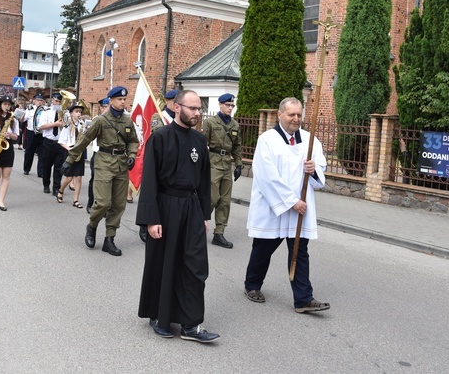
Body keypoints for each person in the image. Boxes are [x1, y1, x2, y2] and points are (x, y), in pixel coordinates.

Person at [136, 89, 219, 343]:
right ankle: (158, 316)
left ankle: (190, 325)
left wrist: (205, 214)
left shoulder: (198, 141)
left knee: (195, 266)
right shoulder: (160, 138)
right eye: (192, 108)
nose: (197, 112)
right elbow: (149, 180)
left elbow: (204, 180)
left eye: (199, 108)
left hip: (191, 207)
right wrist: (151, 218)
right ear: (177, 107)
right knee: (163, 262)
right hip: (165, 206)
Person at [243, 97, 329, 313]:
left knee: (299, 252)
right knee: (263, 249)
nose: (296, 119)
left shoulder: (310, 141)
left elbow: (321, 172)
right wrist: (291, 202)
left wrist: (313, 169)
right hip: (273, 207)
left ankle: (303, 299)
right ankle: (252, 285)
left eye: (299, 115)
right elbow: (266, 176)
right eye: (291, 114)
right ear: (280, 115)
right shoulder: (267, 140)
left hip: (300, 210)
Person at [62, 86, 139, 257]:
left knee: (119, 204)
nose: (123, 102)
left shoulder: (127, 121)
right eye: (119, 99)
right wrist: (70, 159)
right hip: (104, 163)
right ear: (110, 100)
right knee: (104, 202)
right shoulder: (101, 120)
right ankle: (92, 226)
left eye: (124, 99)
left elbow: (133, 141)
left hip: (121, 165)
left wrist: (132, 155)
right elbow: (84, 140)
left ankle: (109, 239)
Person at [202, 93, 243, 249]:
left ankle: (219, 233)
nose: (230, 108)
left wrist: (238, 165)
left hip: (226, 165)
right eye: (227, 105)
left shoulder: (235, 125)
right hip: (213, 163)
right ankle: (199, 227)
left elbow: (237, 146)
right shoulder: (210, 122)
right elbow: (202, 143)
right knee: (212, 198)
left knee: (225, 201)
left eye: (232, 105)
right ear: (220, 105)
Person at [137, 89, 178, 243]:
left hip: (174, 163)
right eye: (173, 100)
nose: (176, 104)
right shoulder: (159, 117)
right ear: (167, 101)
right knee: (150, 192)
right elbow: (158, 135)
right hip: (159, 160)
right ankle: (144, 223)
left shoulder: (181, 119)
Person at [57, 102, 86, 208]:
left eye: (80, 112)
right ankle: (61, 190)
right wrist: (70, 149)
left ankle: (76, 200)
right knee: (69, 178)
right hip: (70, 150)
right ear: (71, 113)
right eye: (76, 112)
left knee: (79, 177)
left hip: (80, 152)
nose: (79, 114)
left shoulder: (83, 124)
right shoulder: (67, 125)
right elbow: (61, 141)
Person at [37, 93, 65, 196]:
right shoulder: (46, 112)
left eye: (59, 101)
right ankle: (46, 184)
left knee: (59, 167)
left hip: (60, 143)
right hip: (49, 142)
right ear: (52, 101)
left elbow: (66, 128)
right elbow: (41, 126)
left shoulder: (64, 113)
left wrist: (63, 124)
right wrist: (55, 124)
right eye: (56, 101)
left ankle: (56, 188)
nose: (58, 103)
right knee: (47, 165)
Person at [86, 97, 109, 212]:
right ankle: (91, 203)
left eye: (108, 106)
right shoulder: (96, 119)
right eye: (105, 106)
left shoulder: (114, 120)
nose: (107, 109)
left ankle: (103, 206)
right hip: (98, 153)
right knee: (94, 180)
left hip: (109, 155)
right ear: (101, 108)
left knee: (108, 182)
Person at [22, 94, 45, 176]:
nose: (39, 102)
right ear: (34, 101)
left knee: (42, 152)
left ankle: (41, 172)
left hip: (41, 132)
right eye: (38, 100)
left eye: (41, 100)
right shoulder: (30, 109)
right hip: (31, 132)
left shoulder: (44, 110)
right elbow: (24, 119)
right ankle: (26, 169)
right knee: (29, 151)